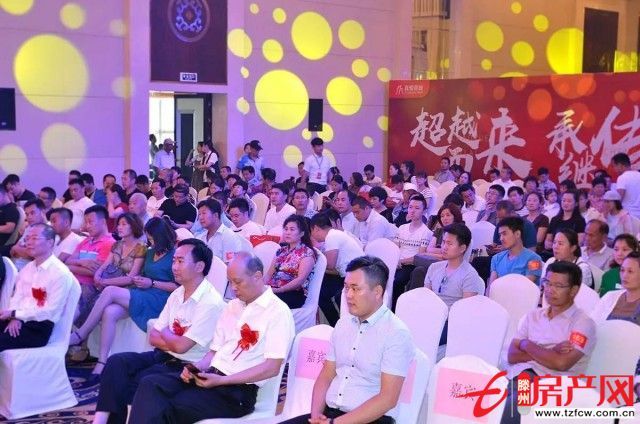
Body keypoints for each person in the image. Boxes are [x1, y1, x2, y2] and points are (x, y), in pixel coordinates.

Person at [128, 252, 295, 423]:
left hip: (236, 391)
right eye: (230, 282)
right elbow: (214, 352)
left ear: (257, 276)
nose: (233, 288)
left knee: (173, 406)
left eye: (238, 282)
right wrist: (196, 367)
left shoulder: (278, 312)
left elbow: (272, 368)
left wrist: (222, 380)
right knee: (151, 384)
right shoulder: (232, 306)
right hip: (210, 376)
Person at [92, 238, 225, 424]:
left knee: (141, 380)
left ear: (199, 266)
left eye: (180, 261)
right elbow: (153, 336)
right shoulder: (177, 293)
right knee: (117, 362)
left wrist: (167, 334)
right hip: (163, 356)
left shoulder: (210, 302)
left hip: (188, 366)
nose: (174, 267)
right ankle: (100, 421)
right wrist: (171, 339)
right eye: (174, 261)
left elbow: (182, 347)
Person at [281, 255, 414, 424]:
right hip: (331, 414)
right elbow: (326, 375)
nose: (348, 295)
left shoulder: (396, 333)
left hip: (371, 419)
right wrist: (316, 416)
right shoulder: (343, 324)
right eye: (346, 287)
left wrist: (335, 423)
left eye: (356, 289)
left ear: (377, 292)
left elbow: (388, 399)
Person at [69, 217, 177, 377]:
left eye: (152, 237)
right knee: (110, 312)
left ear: (161, 235)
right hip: (143, 292)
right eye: (149, 237)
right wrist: (141, 280)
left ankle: (81, 333)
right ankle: (102, 362)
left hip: (160, 297)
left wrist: (152, 283)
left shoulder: (174, 255)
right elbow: (140, 274)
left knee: (110, 291)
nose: (150, 241)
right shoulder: (150, 252)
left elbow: (177, 287)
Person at [502, 260, 596, 424]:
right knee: (475, 400)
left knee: (509, 411)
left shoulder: (582, 323)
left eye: (558, 286)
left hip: (551, 386)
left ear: (573, 290)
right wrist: (550, 351)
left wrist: (527, 345)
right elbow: (512, 355)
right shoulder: (533, 316)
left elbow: (561, 363)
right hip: (518, 378)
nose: (550, 290)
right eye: (547, 283)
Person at [0, 223, 79, 351]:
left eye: (34, 238)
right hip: (18, 319)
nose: (29, 242)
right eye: (27, 238)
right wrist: (15, 317)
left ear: (50, 242)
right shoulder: (28, 268)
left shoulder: (60, 273)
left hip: (38, 327)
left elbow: (50, 311)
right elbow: (17, 296)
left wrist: (17, 314)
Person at [422, 223, 484, 344]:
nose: (444, 247)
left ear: (462, 248)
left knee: (426, 338)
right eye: (444, 242)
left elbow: (466, 311)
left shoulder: (470, 274)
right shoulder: (434, 267)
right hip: (431, 316)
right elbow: (426, 298)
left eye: (450, 244)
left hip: (450, 323)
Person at [310, 213, 364, 326]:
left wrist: (314, 266)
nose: (312, 236)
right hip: (349, 273)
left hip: (356, 276)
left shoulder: (332, 237)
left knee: (323, 293)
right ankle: (337, 324)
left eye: (311, 232)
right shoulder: (334, 235)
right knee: (322, 290)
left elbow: (330, 265)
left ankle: (338, 324)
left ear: (316, 228)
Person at [66, 205, 115, 328]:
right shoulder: (86, 241)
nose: (87, 226)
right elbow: (68, 261)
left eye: (90, 222)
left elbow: (95, 271)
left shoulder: (109, 243)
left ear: (103, 222)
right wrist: (83, 262)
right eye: (86, 222)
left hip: (89, 286)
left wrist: (73, 265)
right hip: (72, 282)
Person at [264, 215, 317, 308]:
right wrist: (260, 286)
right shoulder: (280, 250)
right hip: (273, 289)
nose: (287, 232)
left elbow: (300, 280)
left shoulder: (307, 252)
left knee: (263, 302)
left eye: (292, 229)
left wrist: (279, 290)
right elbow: (269, 274)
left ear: (302, 233)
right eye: (286, 229)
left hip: (293, 293)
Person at [392, 194, 433, 308]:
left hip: (411, 265)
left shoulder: (426, 232)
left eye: (417, 208)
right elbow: (395, 248)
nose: (412, 211)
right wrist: (394, 261)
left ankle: (396, 309)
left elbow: (420, 256)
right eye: (410, 207)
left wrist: (401, 261)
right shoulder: (402, 228)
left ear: (424, 211)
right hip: (397, 263)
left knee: (397, 281)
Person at [487, 217, 544, 293]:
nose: (501, 238)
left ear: (517, 234)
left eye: (504, 234)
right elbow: (491, 288)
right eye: (500, 235)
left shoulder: (534, 259)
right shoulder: (496, 258)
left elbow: (527, 287)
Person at [195, 198, 247, 263]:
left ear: (215, 215)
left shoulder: (229, 237)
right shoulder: (200, 237)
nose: (200, 218)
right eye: (199, 214)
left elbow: (230, 264)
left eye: (204, 213)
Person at [10, 198, 47, 270]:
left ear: (43, 212)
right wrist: (19, 250)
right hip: (14, 264)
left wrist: (18, 250)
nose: (29, 217)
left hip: (29, 269)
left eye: (32, 213)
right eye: (27, 214)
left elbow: (31, 255)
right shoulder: (30, 227)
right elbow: (13, 250)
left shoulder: (48, 231)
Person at [613, 152, 640, 218]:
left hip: (628, 216)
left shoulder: (622, 177)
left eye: (614, 166)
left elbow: (619, 198)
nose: (614, 169)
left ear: (620, 165)